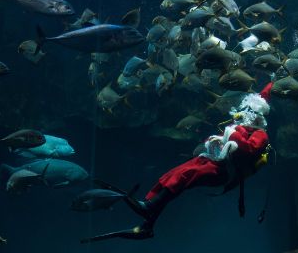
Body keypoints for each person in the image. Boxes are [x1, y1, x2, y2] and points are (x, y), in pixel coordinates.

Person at [81, 82, 274, 243]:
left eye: (250, 112)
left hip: (225, 172)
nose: (245, 114)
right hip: (213, 161)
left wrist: (234, 132)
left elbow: (248, 149)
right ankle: (148, 215)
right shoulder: (242, 127)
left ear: (259, 115)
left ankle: (148, 210)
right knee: (174, 174)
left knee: (184, 176)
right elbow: (223, 142)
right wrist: (216, 139)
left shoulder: (260, 134)